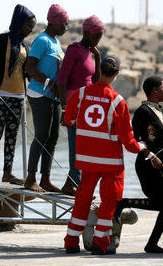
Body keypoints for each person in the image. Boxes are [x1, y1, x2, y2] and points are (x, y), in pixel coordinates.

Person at [63, 56, 160, 255]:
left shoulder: (80, 94)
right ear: (116, 74)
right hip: (110, 162)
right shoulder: (118, 102)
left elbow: (69, 120)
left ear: (98, 71)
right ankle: (100, 243)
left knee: (83, 198)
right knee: (109, 200)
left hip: (87, 160)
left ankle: (71, 241)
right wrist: (142, 147)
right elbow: (128, 141)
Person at [114, 76, 163, 254]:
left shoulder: (156, 111)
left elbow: (162, 141)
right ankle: (123, 204)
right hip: (148, 164)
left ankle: (125, 204)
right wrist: (150, 156)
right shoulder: (143, 112)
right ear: (155, 91)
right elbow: (137, 140)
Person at [0, 4, 36, 185]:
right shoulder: (0, 40)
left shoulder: (24, 45)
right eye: (28, 26)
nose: (29, 30)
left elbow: (27, 71)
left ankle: (7, 173)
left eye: (32, 28)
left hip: (19, 97)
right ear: (18, 22)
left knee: (12, 135)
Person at [57, 15, 105, 196]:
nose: (98, 39)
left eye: (100, 36)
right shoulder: (74, 50)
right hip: (74, 104)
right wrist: (64, 108)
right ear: (86, 33)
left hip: (87, 106)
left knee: (84, 145)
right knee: (75, 146)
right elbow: (62, 80)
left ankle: (71, 184)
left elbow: (95, 80)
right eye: (96, 36)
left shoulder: (89, 52)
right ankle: (75, 184)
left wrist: (98, 58)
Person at [23, 4, 69, 192]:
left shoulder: (56, 42)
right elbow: (30, 68)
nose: (66, 27)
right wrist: (50, 83)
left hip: (54, 97)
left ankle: (45, 179)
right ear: (55, 22)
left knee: (53, 137)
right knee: (41, 135)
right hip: (40, 92)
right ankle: (30, 178)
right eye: (64, 23)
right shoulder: (42, 40)